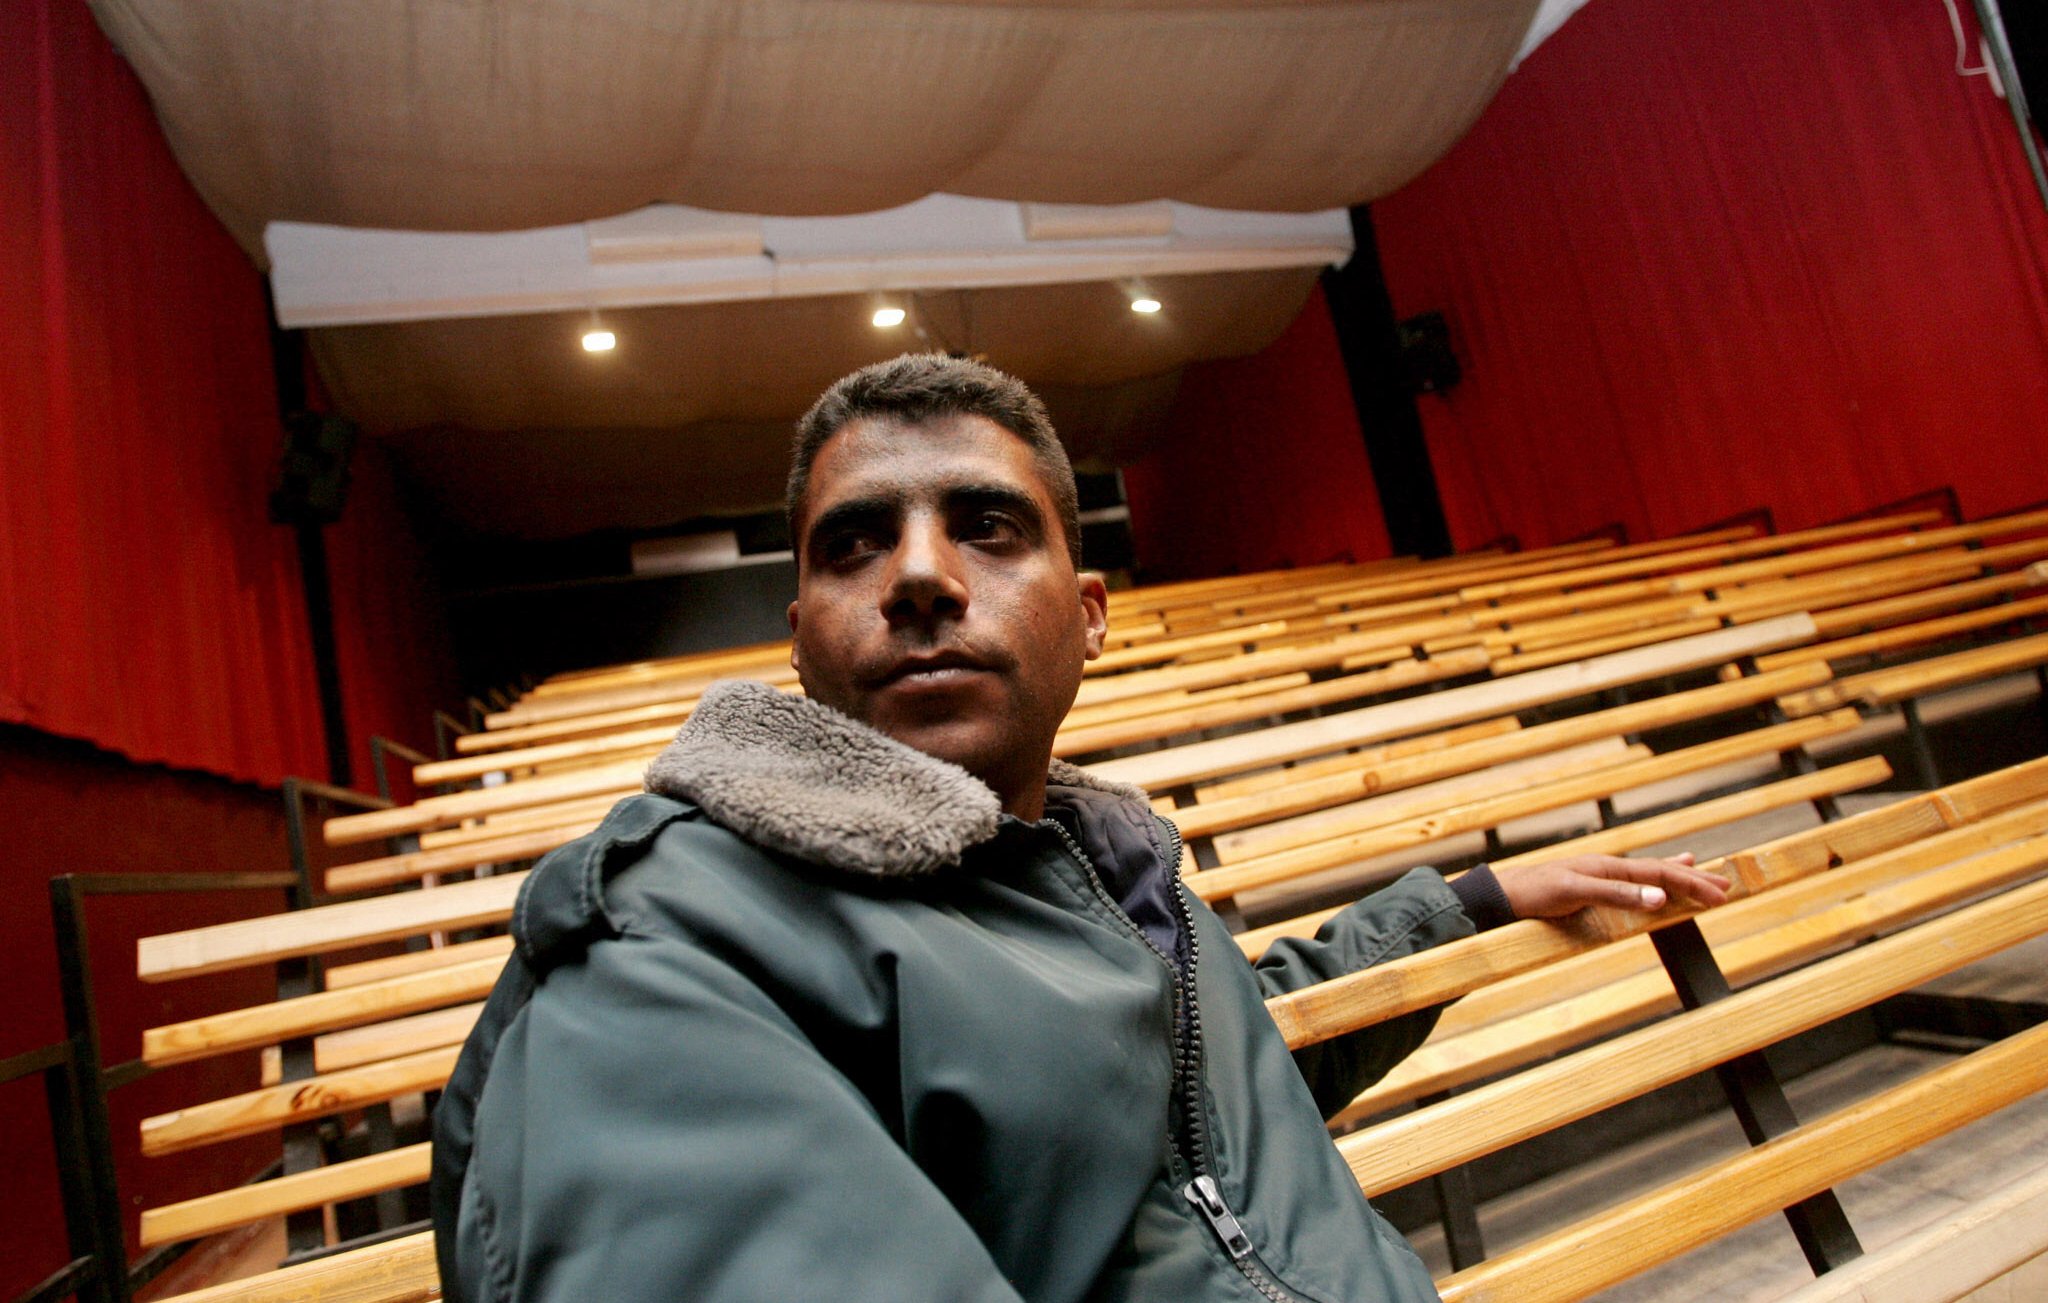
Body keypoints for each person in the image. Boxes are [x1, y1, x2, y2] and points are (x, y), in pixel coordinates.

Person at [431, 354, 1728, 1302]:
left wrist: (1473, 902)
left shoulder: (1099, 872)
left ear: (1092, 613)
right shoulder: (667, 942)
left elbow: (1207, 1071)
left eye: (988, 527)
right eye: (856, 545)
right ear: (801, 638)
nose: (922, 575)